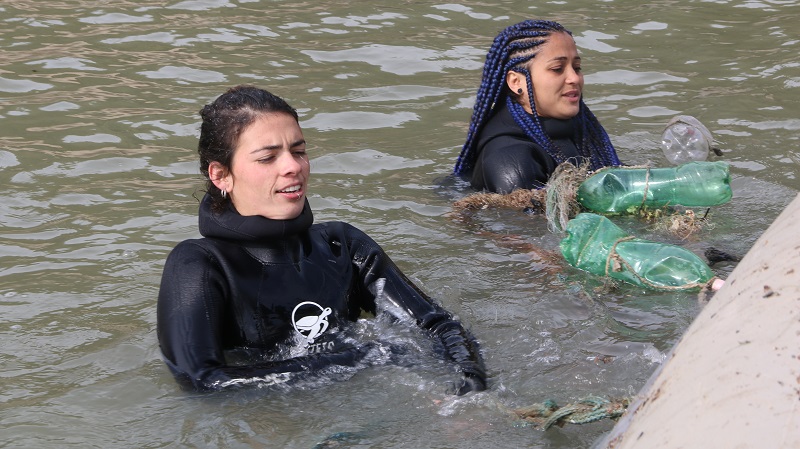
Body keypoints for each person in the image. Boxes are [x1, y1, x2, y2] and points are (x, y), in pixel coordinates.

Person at [157, 85, 486, 395]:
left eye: (298, 151)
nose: (292, 166)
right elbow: (201, 381)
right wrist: (360, 358)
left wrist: (469, 390)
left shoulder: (341, 244)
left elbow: (438, 327)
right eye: (267, 157)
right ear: (221, 175)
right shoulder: (198, 265)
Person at [454, 19, 622, 194]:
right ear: (516, 81)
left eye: (577, 67)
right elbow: (523, 220)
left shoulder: (583, 132)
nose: (574, 78)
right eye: (557, 69)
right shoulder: (511, 159)